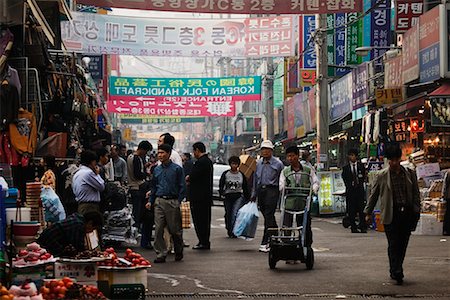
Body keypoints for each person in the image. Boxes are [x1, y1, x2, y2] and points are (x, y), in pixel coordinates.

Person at [364, 143, 420, 285]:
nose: (394, 163)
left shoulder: (409, 173)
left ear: (400, 159)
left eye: (397, 160)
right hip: (391, 214)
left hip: (406, 214)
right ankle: (396, 270)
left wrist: (416, 208)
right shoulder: (382, 175)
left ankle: (397, 267)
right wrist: (367, 212)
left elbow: (415, 193)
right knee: (393, 243)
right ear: (388, 160)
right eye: (392, 160)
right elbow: (374, 195)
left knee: (403, 243)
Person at [146, 144, 186, 263]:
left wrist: (178, 201)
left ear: (169, 154)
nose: (160, 155)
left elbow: (182, 186)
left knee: (175, 230)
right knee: (158, 229)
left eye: (162, 153)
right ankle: (161, 253)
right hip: (159, 201)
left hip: (172, 201)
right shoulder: (156, 169)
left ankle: (178, 250)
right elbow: (153, 187)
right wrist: (150, 201)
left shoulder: (177, 169)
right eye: (159, 153)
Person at [279, 146, 319, 246]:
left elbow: (315, 181)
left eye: (292, 156)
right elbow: (281, 184)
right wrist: (284, 187)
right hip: (289, 203)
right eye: (288, 156)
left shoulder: (308, 170)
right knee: (286, 226)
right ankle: (287, 246)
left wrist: (314, 189)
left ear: (297, 156)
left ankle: (306, 246)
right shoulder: (285, 172)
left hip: (303, 203)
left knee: (304, 226)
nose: (290, 158)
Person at [251, 140, 284, 253]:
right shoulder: (258, 163)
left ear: (271, 151)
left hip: (272, 190)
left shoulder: (278, 164)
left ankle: (266, 241)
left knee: (269, 215)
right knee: (267, 215)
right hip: (261, 191)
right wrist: (254, 194)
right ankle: (275, 236)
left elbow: (282, 179)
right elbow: (256, 179)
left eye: (267, 149)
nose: (265, 152)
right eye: (263, 149)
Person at [37, 211, 103, 257]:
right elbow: (77, 246)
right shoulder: (78, 225)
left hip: (49, 239)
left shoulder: (77, 219)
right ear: (90, 223)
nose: (91, 231)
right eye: (93, 229)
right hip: (49, 241)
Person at [127, 140, 153, 249]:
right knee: (138, 212)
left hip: (133, 187)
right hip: (137, 187)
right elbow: (138, 174)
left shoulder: (130, 156)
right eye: (146, 151)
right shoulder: (137, 158)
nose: (145, 154)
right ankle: (136, 233)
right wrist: (147, 173)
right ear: (142, 149)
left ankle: (136, 232)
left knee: (136, 212)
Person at [187, 142, 213, 250]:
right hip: (205, 197)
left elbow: (192, 177)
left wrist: (189, 177)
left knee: (200, 220)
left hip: (199, 197)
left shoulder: (201, 162)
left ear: (197, 150)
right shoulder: (207, 161)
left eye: (194, 151)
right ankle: (204, 241)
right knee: (204, 220)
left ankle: (203, 242)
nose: (193, 153)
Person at [219, 156, 250, 238]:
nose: (234, 166)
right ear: (230, 164)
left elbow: (245, 187)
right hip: (228, 196)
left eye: (236, 164)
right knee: (228, 213)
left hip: (238, 196)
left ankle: (234, 231)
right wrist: (221, 194)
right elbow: (221, 185)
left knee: (235, 213)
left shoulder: (241, 175)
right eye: (233, 164)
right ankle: (229, 228)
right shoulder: (226, 174)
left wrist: (248, 198)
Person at [342, 148, 367, 233]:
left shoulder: (361, 166)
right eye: (350, 155)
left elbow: (363, 176)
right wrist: (349, 185)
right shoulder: (346, 168)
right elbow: (344, 178)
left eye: (353, 155)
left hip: (359, 191)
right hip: (350, 192)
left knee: (361, 209)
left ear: (356, 156)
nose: (351, 157)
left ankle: (363, 227)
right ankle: (353, 227)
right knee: (351, 210)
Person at [72, 150, 105, 215]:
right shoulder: (89, 173)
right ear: (91, 162)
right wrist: (97, 174)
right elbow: (101, 186)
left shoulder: (77, 173)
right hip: (90, 206)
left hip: (81, 205)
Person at [442, 170, 450, 236]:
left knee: (448, 213)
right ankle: (446, 230)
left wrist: (443, 195)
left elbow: (445, 185)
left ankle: (446, 230)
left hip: (448, 196)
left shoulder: (448, 172)